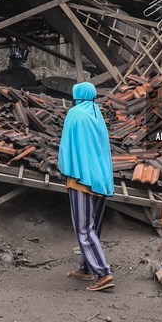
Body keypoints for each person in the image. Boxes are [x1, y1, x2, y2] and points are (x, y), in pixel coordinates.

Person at [57, 82, 115, 292]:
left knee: (84, 229)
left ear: (77, 96)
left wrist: (64, 169)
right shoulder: (96, 114)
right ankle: (85, 267)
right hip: (101, 180)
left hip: (81, 179)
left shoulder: (75, 114)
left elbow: (66, 146)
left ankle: (103, 272)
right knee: (93, 229)